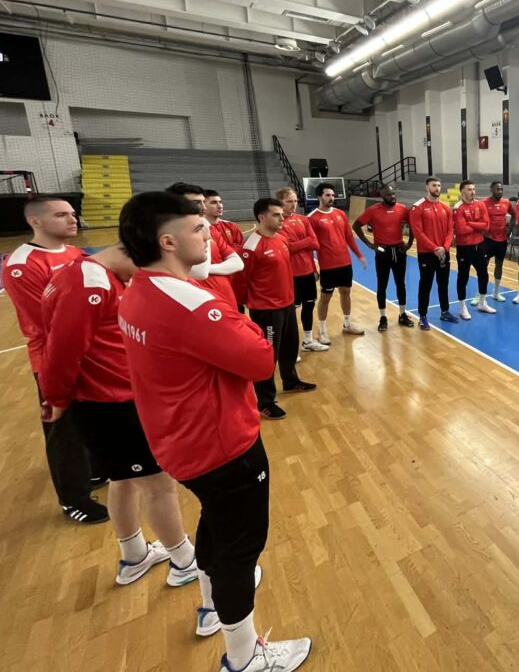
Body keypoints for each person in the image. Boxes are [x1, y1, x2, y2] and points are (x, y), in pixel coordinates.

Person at [117, 191, 312, 672]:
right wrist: (244, 325)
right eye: (197, 228)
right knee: (239, 552)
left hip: (181, 440)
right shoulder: (189, 302)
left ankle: (210, 605)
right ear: (167, 241)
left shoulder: (138, 289)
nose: (209, 234)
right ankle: (244, 657)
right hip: (222, 446)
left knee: (217, 529)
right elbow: (260, 359)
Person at [40, 244, 202, 589]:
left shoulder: (86, 273)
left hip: (109, 401)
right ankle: (185, 561)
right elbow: (60, 351)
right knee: (159, 485)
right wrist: (56, 398)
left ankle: (134, 555)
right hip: (111, 404)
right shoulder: (90, 285)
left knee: (123, 479)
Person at [1, 197, 106, 524]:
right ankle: (73, 499)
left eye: (72, 213)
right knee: (62, 430)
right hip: (51, 359)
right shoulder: (22, 265)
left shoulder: (75, 254)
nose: (73, 219)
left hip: (90, 352)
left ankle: (92, 470)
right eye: (61, 215)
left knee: (91, 416)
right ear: (35, 221)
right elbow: (47, 320)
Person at [241, 198, 316, 420]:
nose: (282, 218)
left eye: (282, 214)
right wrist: (248, 304)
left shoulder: (281, 238)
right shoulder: (252, 246)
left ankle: (290, 380)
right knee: (268, 356)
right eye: (276, 215)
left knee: (290, 346)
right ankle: (265, 401)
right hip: (266, 310)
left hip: (287, 304)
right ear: (262, 217)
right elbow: (241, 280)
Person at [165, 182, 244, 310]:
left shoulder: (211, 230)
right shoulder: (169, 235)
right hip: (199, 304)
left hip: (226, 299)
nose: (203, 207)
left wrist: (209, 268)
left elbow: (238, 263)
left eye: (203, 202)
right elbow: (199, 273)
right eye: (197, 203)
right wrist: (204, 226)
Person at [307, 182, 367, 343]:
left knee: (346, 292)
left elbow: (349, 237)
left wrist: (359, 255)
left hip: (345, 263)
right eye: (327, 195)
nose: (331, 198)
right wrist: (313, 268)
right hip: (328, 265)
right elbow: (309, 247)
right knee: (325, 297)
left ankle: (347, 325)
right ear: (319, 197)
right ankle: (322, 331)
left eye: (333, 195)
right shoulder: (312, 218)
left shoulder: (340, 213)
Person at [355, 184, 415, 332]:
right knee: (382, 285)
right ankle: (383, 317)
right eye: (388, 194)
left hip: (399, 250)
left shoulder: (402, 209)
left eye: (393, 194)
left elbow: (413, 226)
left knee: (401, 284)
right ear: (381, 195)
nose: (392, 197)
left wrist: (409, 244)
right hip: (383, 252)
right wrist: (369, 244)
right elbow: (356, 226)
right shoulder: (373, 210)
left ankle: (402, 315)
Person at [276, 187, 327, 352]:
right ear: (280, 202)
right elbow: (287, 248)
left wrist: (314, 268)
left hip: (308, 271)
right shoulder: (277, 222)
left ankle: (308, 340)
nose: (293, 204)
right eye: (289, 201)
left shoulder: (303, 219)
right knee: (290, 311)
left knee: (309, 305)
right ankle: (289, 347)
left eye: (295, 201)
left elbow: (315, 244)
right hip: (290, 274)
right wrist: (306, 241)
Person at [408, 176, 459, 330]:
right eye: (433, 185)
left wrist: (445, 247)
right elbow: (418, 233)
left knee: (443, 284)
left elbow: (450, 230)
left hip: (443, 252)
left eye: (438, 185)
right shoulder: (417, 207)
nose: (437, 188)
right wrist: (434, 248)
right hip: (427, 254)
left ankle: (445, 311)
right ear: (427, 187)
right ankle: (422, 316)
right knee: (426, 285)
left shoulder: (445, 208)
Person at [453, 180, 495, 318]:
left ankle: (482, 303)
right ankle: (462, 307)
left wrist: (470, 223)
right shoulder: (458, 208)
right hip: (464, 247)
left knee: (484, 275)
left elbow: (486, 226)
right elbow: (461, 230)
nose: (473, 192)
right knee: (463, 277)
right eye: (469, 189)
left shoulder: (480, 204)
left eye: (473, 189)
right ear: (462, 191)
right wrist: (478, 225)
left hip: (480, 245)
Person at [205, 189, 249, 310]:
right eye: (213, 202)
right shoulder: (201, 230)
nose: (219, 205)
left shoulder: (231, 226)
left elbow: (240, 251)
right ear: (203, 206)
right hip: (214, 284)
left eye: (220, 202)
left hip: (235, 281)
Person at [482, 180, 514, 302]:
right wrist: (483, 230)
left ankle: (496, 292)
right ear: (492, 190)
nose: (500, 191)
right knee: (483, 266)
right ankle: (480, 294)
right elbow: (477, 217)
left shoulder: (506, 202)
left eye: (501, 189)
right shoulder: (484, 203)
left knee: (499, 265)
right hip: (488, 240)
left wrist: (510, 228)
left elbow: (514, 215)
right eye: (497, 189)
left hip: (502, 240)